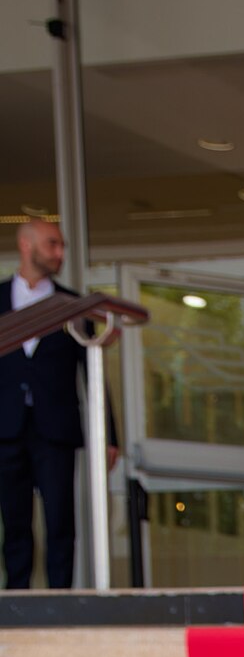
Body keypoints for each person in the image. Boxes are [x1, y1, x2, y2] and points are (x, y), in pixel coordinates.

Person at [0, 218, 112, 594]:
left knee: (60, 521)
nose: (59, 253)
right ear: (26, 245)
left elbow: (93, 371)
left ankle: (61, 598)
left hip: (55, 428)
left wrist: (109, 435)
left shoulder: (72, 305)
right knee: (14, 522)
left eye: (61, 245)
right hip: (7, 427)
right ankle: (16, 600)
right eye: (52, 244)